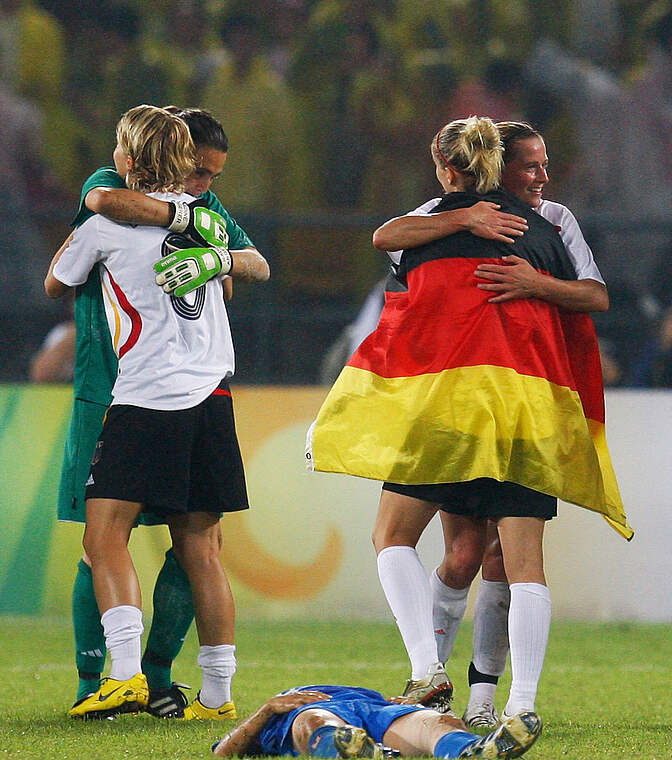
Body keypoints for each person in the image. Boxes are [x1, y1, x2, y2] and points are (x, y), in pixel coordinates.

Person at [310, 116, 629, 724]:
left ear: (450, 168)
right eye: (530, 164)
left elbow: (401, 311)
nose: (542, 176)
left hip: (450, 408)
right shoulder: (541, 232)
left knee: (407, 540)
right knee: (484, 557)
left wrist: (533, 284)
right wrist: (476, 222)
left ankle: (437, 675)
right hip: (526, 407)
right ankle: (515, 704)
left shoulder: (441, 234)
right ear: (498, 167)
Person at [45, 105, 267, 722]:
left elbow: (56, 283)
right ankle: (217, 696)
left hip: (143, 397)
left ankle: (122, 677)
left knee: (103, 536)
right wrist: (206, 245)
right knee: (202, 545)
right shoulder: (206, 218)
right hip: (213, 397)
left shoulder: (108, 208)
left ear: (133, 159)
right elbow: (237, 271)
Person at [209, 684, 540, 758]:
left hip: (375, 707)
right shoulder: (283, 710)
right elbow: (223, 751)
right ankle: (350, 750)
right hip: (309, 714)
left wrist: (410, 706)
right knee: (315, 719)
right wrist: (268, 709)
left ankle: (471, 752)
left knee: (432, 722)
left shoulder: (362, 693)